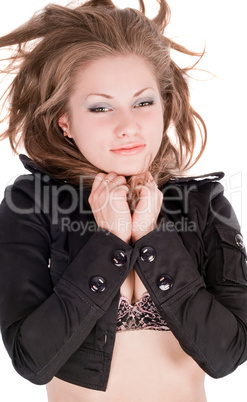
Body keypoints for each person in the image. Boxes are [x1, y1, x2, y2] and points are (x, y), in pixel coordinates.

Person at [0, 0, 246, 401]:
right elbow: (32, 359)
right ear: (65, 120)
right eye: (101, 107)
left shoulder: (205, 204)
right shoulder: (30, 205)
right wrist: (109, 241)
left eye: (143, 102)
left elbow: (227, 355)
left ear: (165, 106)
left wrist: (152, 236)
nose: (128, 126)